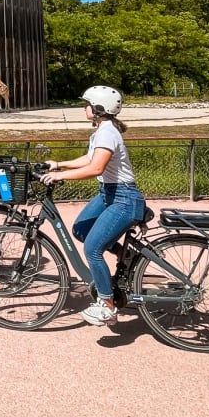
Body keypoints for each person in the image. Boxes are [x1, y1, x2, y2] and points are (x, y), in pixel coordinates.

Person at [40, 85, 146, 326]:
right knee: (81, 230)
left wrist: (61, 176)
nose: (84, 107)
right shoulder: (103, 131)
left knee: (92, 249)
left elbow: (96, 168)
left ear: (98, 109)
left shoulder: (108, 132)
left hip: (123, 197)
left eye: (87, 104)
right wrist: (59, 165)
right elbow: (89, 159)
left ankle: (107, 305)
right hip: (109, 193)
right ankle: (124, 254)